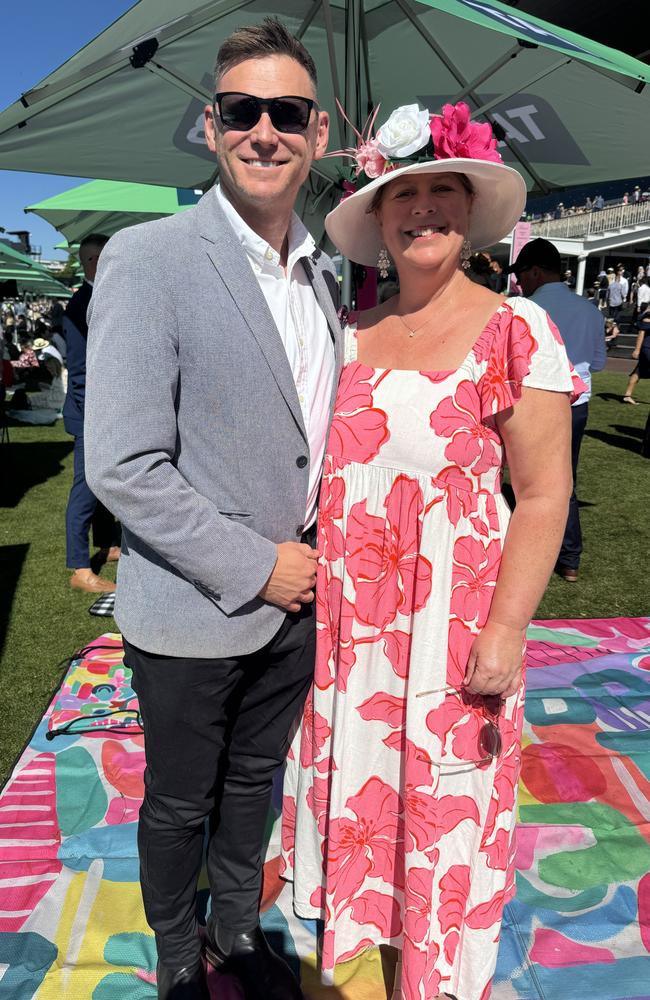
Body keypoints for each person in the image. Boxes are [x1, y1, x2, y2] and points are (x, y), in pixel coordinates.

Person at [283, 100, 581, 1000]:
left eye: (443, 190)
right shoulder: (344, 337)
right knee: (361, 813)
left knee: (444, 818)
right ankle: (362, 970)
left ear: (471, 210)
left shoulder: (517, 330)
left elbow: (544, 495)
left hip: (453, 632)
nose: (423, 208)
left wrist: (506, 631)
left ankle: (435, 979)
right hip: (346, 641)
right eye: (402, 194)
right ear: (376, 218)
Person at [85, 19, 340, 1000]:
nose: (263, 131)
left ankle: (235, 932)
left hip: (299, 604)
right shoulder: (151, 258)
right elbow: (123, 463)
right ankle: (178, 956)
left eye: (286, 113)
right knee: (181, 797)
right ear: (210, 126)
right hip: (198, 604)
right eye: (243, 111)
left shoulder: (325, 276)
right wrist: (255, 564)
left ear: (318, 134)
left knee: (253, 785)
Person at [506, 238, 605, 583]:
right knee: (563, 480)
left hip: (531, 401)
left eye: (521, 274)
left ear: (535, 271)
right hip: (577, 405)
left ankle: (530, 555)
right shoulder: (590, 310)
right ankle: (569, 558)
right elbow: (598, 363)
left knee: (526, 483)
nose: (520, 282)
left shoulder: (523, 309)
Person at [63, 233, 121, 593]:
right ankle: (79, 567)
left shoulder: (98, 297)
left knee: (101, 481)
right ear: (92, 263)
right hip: (90, 413)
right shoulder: (81, 304)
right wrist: (95, 417)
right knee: (85, 487)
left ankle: (108, 544)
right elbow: (81, 370)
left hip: (101, 409)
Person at [623, 304, 650, 404]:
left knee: (638, 371)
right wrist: (637, 349)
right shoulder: (647, 318)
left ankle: (627, 395)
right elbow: (641, 334)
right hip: (647, 348)